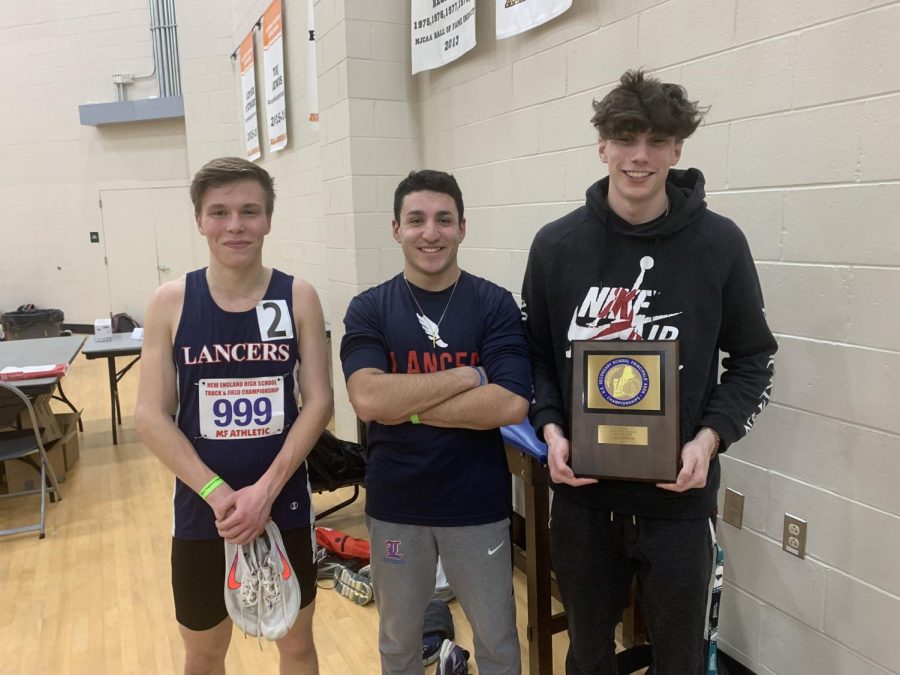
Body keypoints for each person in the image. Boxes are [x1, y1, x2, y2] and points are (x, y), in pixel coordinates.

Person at [521, 70, 777, 674]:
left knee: (680, 659)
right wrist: (552, 432)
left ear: (678, 149)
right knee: (587, 654)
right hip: (584, 501)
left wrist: (708, 439)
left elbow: (753, 360)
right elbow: (531, 357)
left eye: (658, 140)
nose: (641, 156)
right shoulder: (555, 246)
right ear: (602, 145)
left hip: (680, 504)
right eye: (626, 137)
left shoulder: (720, 244)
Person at [135, 157, 332, 675]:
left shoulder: (298, 297)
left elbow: (320, 402)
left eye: (249, 210)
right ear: (199, 221)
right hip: (204, 512)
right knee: (203, 652)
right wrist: (221, 496)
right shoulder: (170, 302)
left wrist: (264, 492)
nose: (235, 225)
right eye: (219, 212)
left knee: (296, 646)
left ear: (268, 218)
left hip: (284, 502)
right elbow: (151, 416)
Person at [340, 170, 531, 675]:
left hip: (477, 503)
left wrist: (406, 404)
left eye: (444, 219)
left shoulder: (493, 303)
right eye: (417, 220)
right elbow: (366, 398)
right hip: (397, 503)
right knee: (399, 642)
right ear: (396, 229)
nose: (431, 232)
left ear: (463, 228)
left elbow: (510, 403)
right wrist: (467, 375)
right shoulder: (370, 308)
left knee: (497, 641)